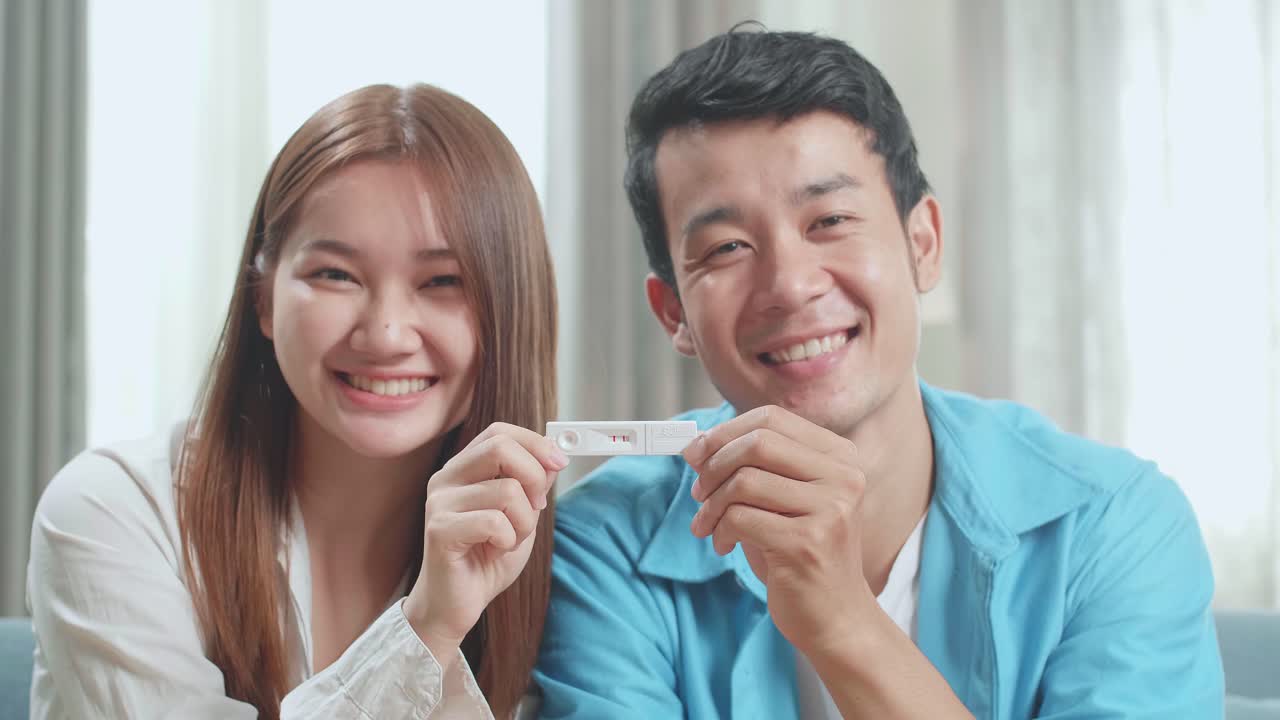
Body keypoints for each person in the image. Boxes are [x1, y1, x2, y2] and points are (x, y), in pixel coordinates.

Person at [534, 27, 1224, 718]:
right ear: (673, 313)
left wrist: (842, 621)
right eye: (728, 246)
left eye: (830, 218)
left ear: (922, 244)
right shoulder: (599, 547)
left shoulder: (1115, 524)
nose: (791, 284)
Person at [27, 83, 564, 719]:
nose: (386, 333)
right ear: (263, 297)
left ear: (512, 312)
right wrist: (423, 630)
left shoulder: (560, 564)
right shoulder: (114, 513)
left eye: (443, 281)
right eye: (335, 274)